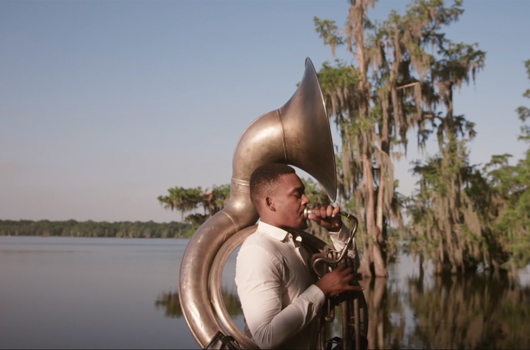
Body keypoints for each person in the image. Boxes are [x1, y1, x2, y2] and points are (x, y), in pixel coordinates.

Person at [235, 163, 363, 349]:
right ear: (270, 203)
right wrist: (321, 290)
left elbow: (348, 270)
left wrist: (336, 230)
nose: (306, 200)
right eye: (297, 194)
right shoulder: (258, 251)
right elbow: (265, 337)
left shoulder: (295, 243)